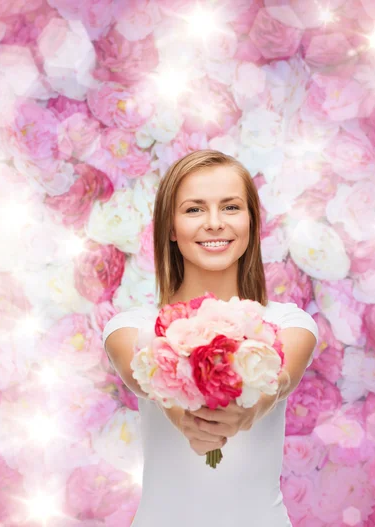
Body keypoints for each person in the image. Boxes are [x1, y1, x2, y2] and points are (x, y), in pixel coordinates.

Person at [102, 149, 319, 527]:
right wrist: (185, 418)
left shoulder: (288, 323)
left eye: (231, 207)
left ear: (251, 223)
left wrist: (252, 409)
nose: (215, 223)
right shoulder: (130, 328)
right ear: (170, 228)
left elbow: (282, 378)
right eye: (194, 209)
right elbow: (144, 375)